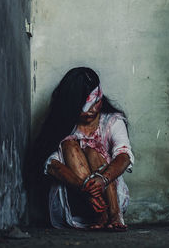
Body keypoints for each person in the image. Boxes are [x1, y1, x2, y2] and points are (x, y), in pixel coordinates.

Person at [32, 67, 134, 231]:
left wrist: (102, 180)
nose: (93, 109)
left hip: (110, 197)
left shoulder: (112, 121)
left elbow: (124, 156)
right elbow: (52, 165)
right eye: (86, 106)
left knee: (93, 152)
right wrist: (85, 188)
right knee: (70, 145)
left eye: (97, 102)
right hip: (75, 200)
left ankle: (114, 214)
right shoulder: (64, 126)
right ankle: (99, 215)